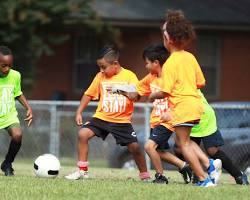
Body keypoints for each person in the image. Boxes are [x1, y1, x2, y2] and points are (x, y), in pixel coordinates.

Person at [149, 10, 221, 187]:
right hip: (196, 104)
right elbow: (201, 82)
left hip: (182, 105)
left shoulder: (171, 62)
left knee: (183, 145)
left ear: (168, 39)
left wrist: (152, 95)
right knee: (186, 141)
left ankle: (204, 179)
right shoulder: (190, 57)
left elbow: (165, 91)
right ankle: (209, 164)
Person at [65, 45, 150, 181]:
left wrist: (125, 92)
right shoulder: (100, 77)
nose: (101, 70)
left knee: (134, 147)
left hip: (121, 121)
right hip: (102, 118)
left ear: (115, 64)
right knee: (83, 134)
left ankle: (145, 176)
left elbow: (136, 95)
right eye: (99, 67)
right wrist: (79, 112)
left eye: (103, 67)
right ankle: (82, 171)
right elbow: (88, 94)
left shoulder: (129, 76)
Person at [116, 43, 192, 184]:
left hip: (167, 121)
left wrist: (172, 112)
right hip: (156, 121)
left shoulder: (172, 77)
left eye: (147, 63)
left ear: (156, 63)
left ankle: (160, 176)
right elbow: (136, 92)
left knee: (149, 146)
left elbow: (181, 97)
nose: (145, 66)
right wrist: (122, 91)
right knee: (159, 152)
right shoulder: (151, 77)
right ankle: (184, 166)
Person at [175, 90, 249, 185]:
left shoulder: (187, 82)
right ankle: (195, 174)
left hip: (204, 118)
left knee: (212, 150)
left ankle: (238, 175)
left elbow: (201, 82)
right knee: (179, 148)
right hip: (188, 119)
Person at [0, 46, 33, 176]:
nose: (7, 69)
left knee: (18, 135)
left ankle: (7, 164)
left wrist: (28, 108)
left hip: (9, 115)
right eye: (3, 66)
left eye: (9, 65)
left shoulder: (15, 75)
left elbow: (18, 93)